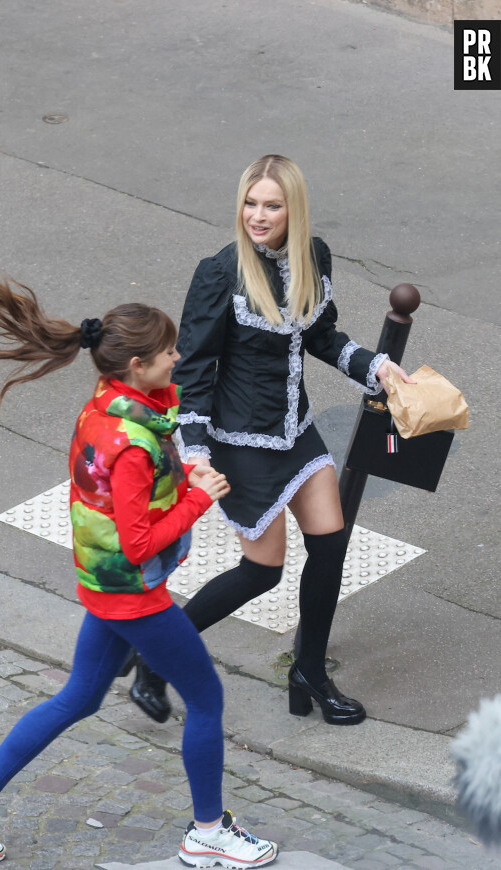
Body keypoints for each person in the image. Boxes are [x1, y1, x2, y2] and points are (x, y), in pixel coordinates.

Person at [0, 277, 278, 869]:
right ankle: (207, 833)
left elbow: (123, 508)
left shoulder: (103, 407)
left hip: (103, 585)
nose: (178, 358)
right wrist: (198, 497)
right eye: (168, 352)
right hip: (136, 596)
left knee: (79, 697)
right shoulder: (134, 444)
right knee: (208, 699)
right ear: (138, 365)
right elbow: (139, 542)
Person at [130, 154, 414, 727]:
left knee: (330, 545)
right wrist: (197, 456)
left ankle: (309, 670)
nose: (258, 216)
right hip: (237, 440)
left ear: (294, 210)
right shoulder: (219, 273)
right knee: (263, 570)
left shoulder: (313, 256)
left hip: (295, 429)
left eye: (272, 205)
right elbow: (192, 372)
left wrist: (376, 368)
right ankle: (154, 657)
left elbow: (322, 335)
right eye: (250, 203)